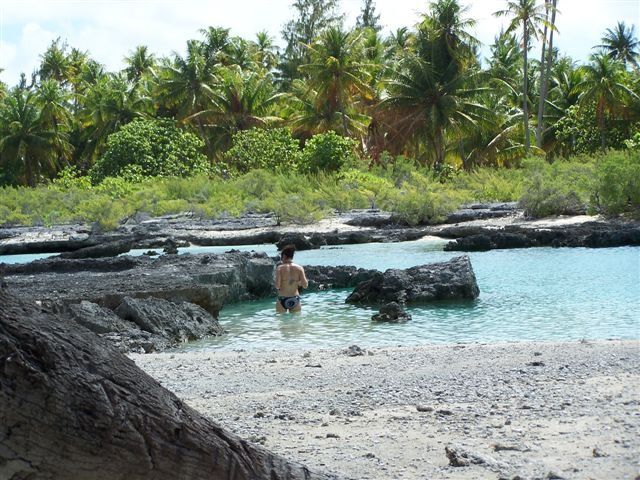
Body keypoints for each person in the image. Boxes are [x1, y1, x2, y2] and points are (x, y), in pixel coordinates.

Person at [274, 244, 308, 313]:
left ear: (284, 256)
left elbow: (277, 286)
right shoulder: (299, 268)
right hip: (295, 298)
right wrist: (297, 282)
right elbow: (305, 286)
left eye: (281, 258)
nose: (281, 260)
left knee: (281, 322)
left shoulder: (280, 268)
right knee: (296, 322)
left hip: (282, 298)